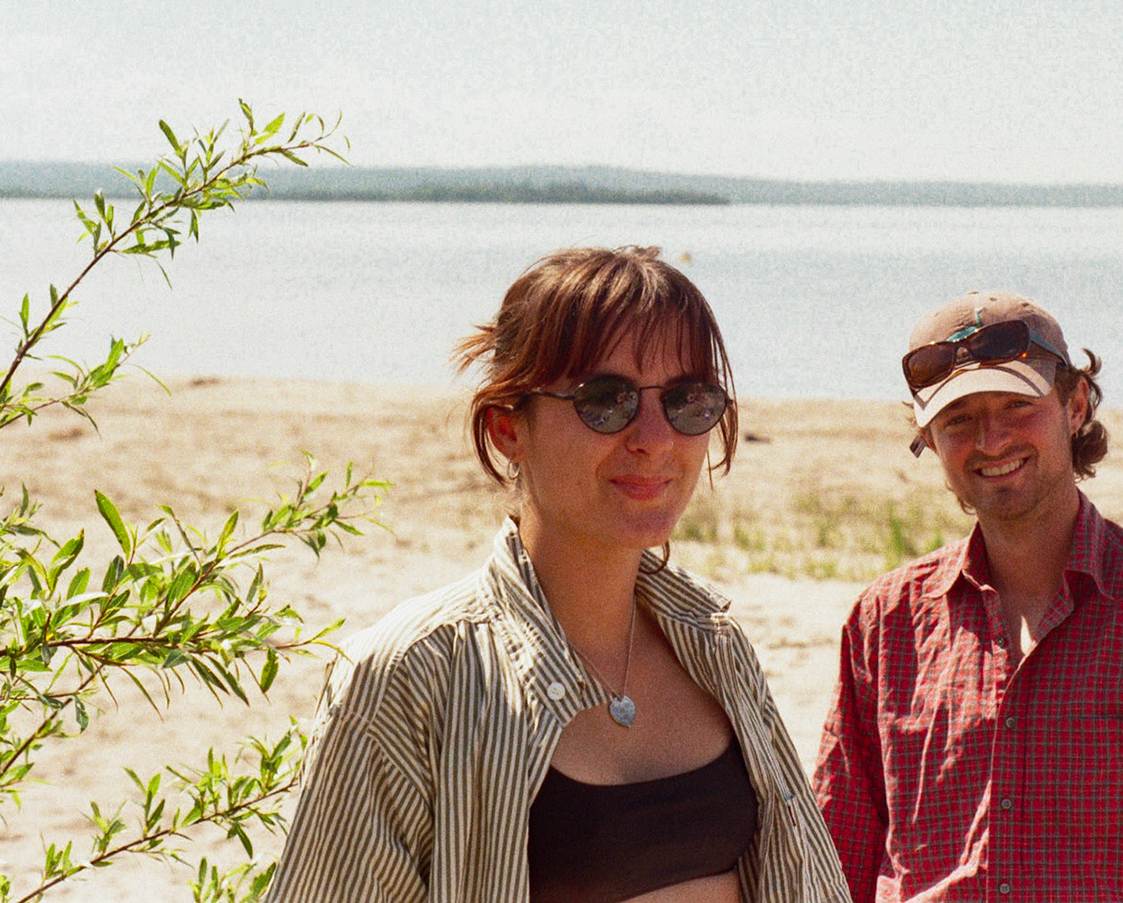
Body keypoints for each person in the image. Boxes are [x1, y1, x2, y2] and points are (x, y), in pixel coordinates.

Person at [269, 247, 847, 903]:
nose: (654, 438)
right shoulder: (417, 672)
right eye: (606, 400)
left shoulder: (714, 647)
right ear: (508, 429)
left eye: (687, 400)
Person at [812, 291, 1123, 902]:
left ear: (1074, 405)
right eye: (958, 418)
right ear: (928, 438)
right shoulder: (884, 621)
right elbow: (831, 859)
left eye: (1017, 404)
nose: (991, 439)